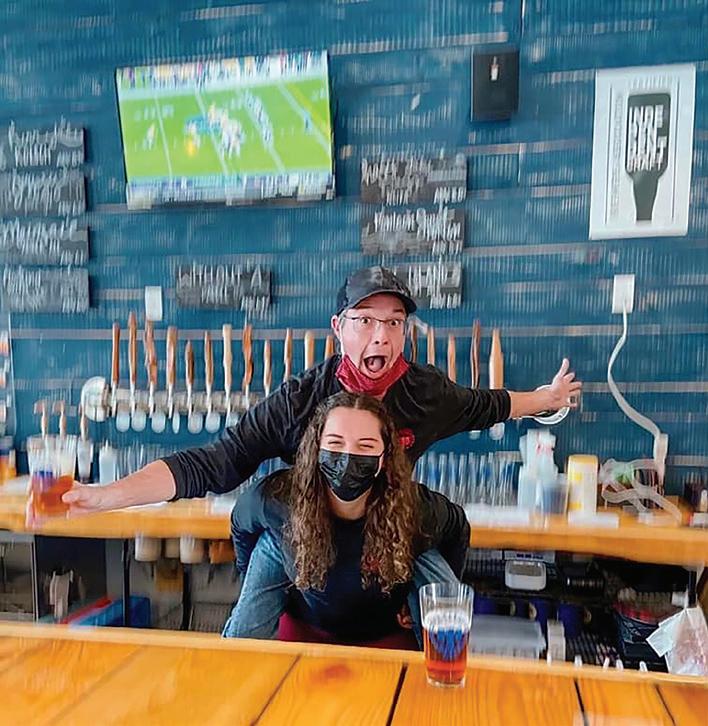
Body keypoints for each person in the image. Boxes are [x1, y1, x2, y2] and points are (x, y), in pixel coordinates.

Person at [63, 265, 582, 514]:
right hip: (306, 544)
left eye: (395, 323)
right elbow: (216, 463)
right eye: (366, 320)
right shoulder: (300, 399)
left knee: (442, 585)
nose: (382, 336)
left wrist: (547, 399)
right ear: (339, 328)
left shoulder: (426, 392)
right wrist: (107, 496)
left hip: (389, 539)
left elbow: (489, 405)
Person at [224, 391, 468, 647]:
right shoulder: (276, 499)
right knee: (273, 540)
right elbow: (241, 527)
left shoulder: (417, 508)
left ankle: (447, 658)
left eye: (365, 446)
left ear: (385, 458)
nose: (348, 456)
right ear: (316, 448)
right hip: (307, 625)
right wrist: (254, 578)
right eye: (335, 443)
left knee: (421, 548)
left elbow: (457, 529)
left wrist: (423, 597)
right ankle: (237, 653)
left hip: (385, 630)